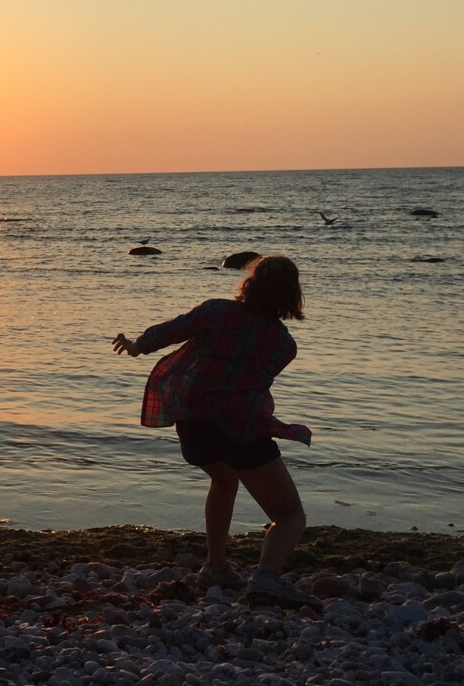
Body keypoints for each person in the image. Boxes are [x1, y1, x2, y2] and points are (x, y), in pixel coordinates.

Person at [111, 255, 317, 608]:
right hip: (242, 430)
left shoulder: (217, 311)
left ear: (249, 284)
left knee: (223, 480)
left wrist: (136, 345)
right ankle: (266, 578)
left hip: (194, 425)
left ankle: (216, 567)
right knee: (289, 516)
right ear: (292, 296)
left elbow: (170, 330)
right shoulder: (285, 346)